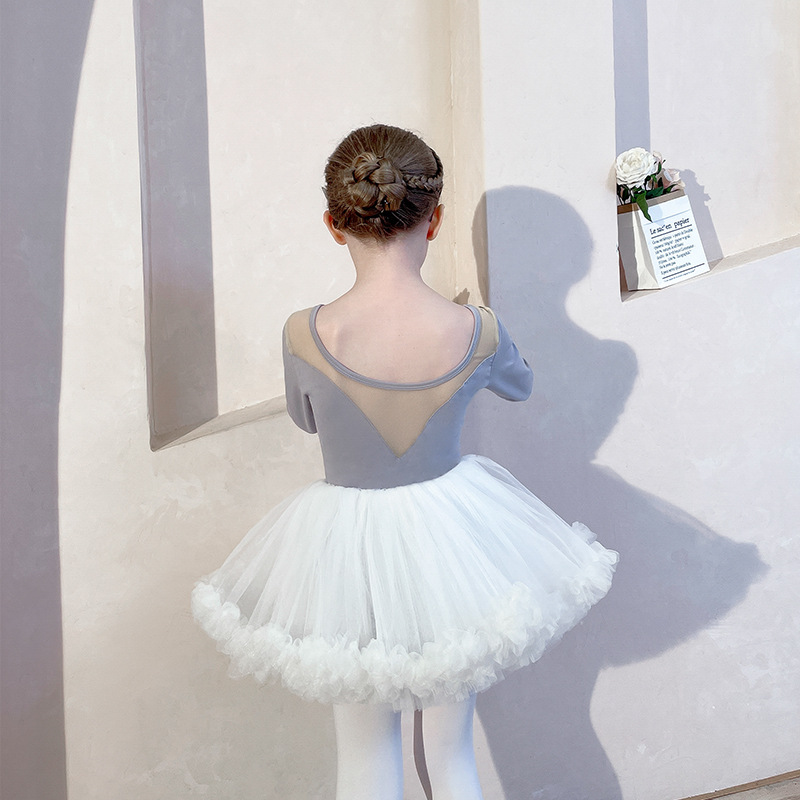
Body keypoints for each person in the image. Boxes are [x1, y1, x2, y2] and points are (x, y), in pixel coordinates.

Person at [191, 123, 619, 800]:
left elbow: (307, 419)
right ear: (435, 219)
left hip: (345, 548)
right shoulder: (478, 329)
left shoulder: (305, 331)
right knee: (451, 755)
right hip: (454, 543)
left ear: (334, 225)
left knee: (363, 756)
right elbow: (520, 385)